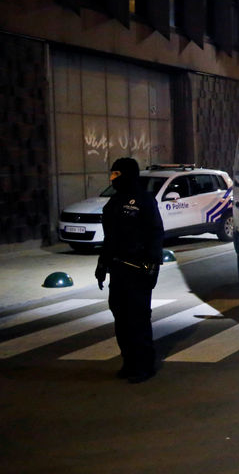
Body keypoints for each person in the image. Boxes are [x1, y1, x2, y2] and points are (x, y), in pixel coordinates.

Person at [95, 158, 164, 384]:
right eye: (112, 175)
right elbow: (109, 239)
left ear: (128, 175)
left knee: (138, 318)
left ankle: (144, 365)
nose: (113, 179)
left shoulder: (144, 201)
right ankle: (129, 361)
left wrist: (152, 265)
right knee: (121, 317)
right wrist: (102, 265)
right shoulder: (114, 203)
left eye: (117, 174)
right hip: (118, 269)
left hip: (138, 269)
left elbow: (156, 233)